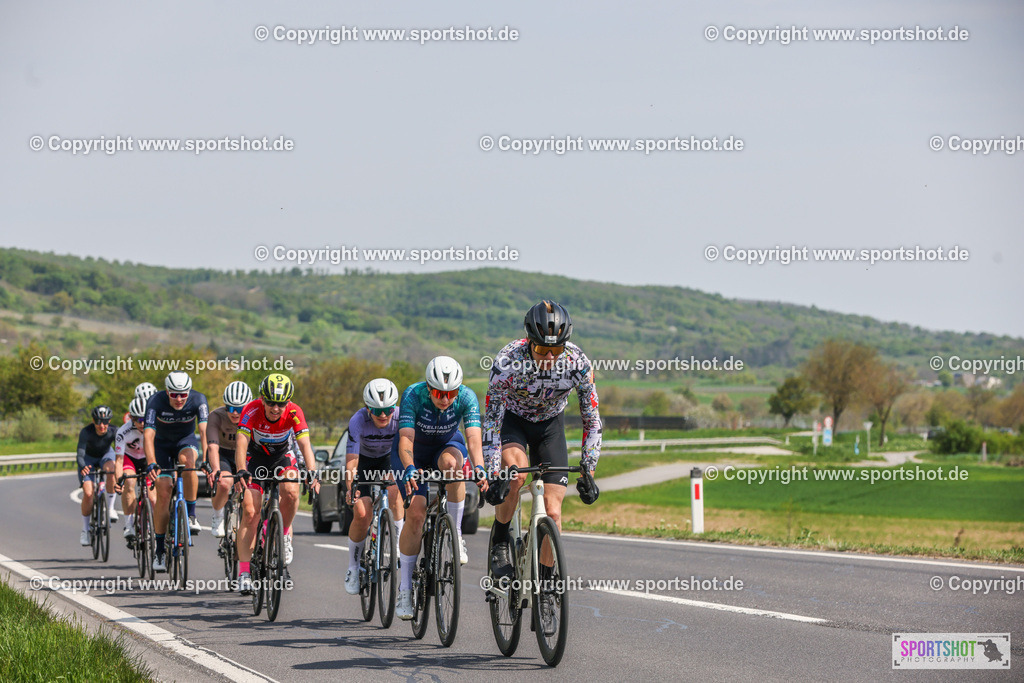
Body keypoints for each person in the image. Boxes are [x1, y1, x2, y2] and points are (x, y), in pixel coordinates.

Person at [483, 301, 602, 585]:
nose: (549, 356)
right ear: (529, 342)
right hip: (514, 422)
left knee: (553, 511)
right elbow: (491, 422)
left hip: (550, 426)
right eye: (541, 349)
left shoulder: (578, 364)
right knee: (515, 474)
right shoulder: (507, 362)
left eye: (557, 349)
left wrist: (589, 469)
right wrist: (492, 472)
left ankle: (546, 585)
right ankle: (500, 540)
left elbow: (592, 419)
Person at [391, 356, 488, 620]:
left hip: (446, 445)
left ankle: (455, 533)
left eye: (451, 393)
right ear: (428, 387)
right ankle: (405, 588)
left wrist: (479, 467)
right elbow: (406, 439)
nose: (445, 399)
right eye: (438, 393)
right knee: (417, 513)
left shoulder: (467, 397)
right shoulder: (414, 395)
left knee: (453, 465)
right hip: (412, 453)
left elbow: (473, 438)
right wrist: (410, 466)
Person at [233, 373, 320, 594]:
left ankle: (283, 534)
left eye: (280, 403)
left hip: (281, 457)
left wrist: (312, 473)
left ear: (287, 402)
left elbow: (305, 446)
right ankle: (244, 572)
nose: (275, 408)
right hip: (255, 458)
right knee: (250, 511)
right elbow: (241, 443)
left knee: (291, 490)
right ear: (262, 399)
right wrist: (241, 470)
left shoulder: (294, 412)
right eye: (270, 402)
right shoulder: (251, 410)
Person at [342, 378, 404, 595]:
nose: (383, 415)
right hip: (363, 462)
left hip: (389, 459)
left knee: (395, 490)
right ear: (368, 408)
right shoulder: (357, 421)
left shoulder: (401, 416)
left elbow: (407, 449)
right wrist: (351, 487)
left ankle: (397, 546)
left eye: (388, 409)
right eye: (377, 411)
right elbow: (351, 460)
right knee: (361, 513)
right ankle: (353, 567)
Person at [143, 371, 209, 572]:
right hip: (161, 446)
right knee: (163, 491)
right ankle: (160, 549)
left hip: (185, 441)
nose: (179, 399)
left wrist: (205, 460)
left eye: (183, 394)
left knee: (188, 462)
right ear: (167, 391)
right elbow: (148, 435)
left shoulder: (199, 399)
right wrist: (152, 463)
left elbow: (204, 432)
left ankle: (191, 514)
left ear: (189, 392)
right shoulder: (155, 401)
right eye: (174, 395)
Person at [207, 381, 253, 537]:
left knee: (252, 488)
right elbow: (213, 446)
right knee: (225, 483)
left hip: (246, 454)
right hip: (223, 454)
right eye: (230, 408)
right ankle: (218, 515)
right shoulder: (216, 416)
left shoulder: (254, 416)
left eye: (239, 409)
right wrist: (215, 470)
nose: (234, 413)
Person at [113, 396, 155, 541]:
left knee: (153, 499)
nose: (143, 424)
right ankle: (129, 524)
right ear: (131, 418)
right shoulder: (122, 432)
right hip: (130, 459)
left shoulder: (155, 428)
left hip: (147, 459)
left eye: (146, 419)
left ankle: (149, 523)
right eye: (139, 420)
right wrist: (119, 481)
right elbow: (118, 460)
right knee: (129, 483)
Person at [76, 406, 118, 546]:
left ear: (109, 421)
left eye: (105, 422)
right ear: (93, 421)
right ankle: (85, 529)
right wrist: (83, 467)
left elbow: (119, 453)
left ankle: (110, 508)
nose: (102, 425)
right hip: (88, 459)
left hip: (105, 455)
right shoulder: (86, 432)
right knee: (88, 493)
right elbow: (80, 454)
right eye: (98, 422)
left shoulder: (114, 431)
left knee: (112, 470)